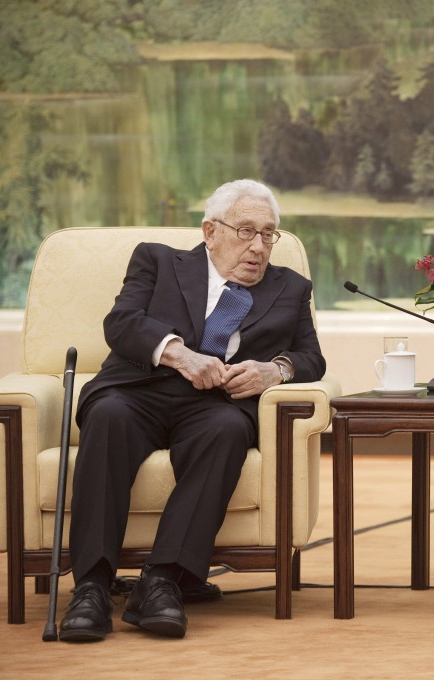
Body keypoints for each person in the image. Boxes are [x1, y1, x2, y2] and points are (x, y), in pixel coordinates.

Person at [58, 179, 326, 642]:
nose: (258, 247)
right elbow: (122, 324)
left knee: (226, 431)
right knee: (108, 418)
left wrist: (274, 370)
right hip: (138, 389)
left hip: (216, 404)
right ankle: (92, 587)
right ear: (210, 230)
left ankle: (162, 582)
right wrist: (180, 354)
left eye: (268, 234)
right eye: (245, 231)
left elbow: (311, 357)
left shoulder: (291, 287)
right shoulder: (157, 261)